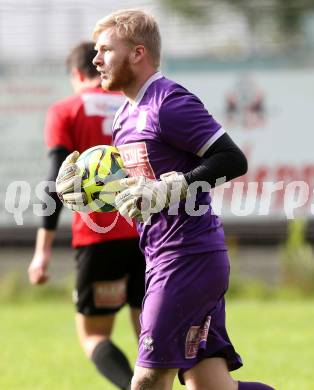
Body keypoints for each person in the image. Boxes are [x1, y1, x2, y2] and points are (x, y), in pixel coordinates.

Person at [56, 11, 275, 390]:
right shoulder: (125, 114)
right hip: (162, 256)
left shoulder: (168, 102)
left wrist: (176, 186)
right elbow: (138, 188)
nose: (96, 60)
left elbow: (231, 159)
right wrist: (92, 190)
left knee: (147, 381)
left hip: (186, 258)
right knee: (210, 386)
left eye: (106, 50)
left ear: (138, 53)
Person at [28, 41, 145, 390]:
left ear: (78, 74)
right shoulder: (134, 103)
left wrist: (42, 250)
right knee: (149, 334)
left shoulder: (66, 109)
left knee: (93, 336)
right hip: (146, 234)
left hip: (100, 238)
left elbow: (54, 180)